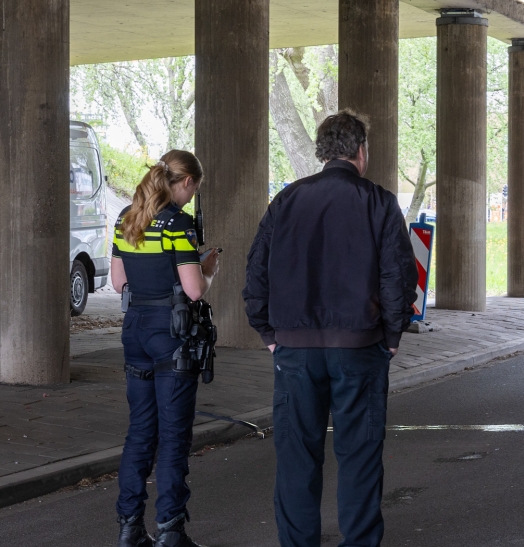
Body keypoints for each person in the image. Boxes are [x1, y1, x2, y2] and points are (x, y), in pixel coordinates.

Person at [244, 110, 418, 547]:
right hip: (360, 345)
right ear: (360, 152)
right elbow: (398, 276)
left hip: (295, 349)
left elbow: (256, 274)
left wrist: (267, 332)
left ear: (323, 153)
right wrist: (392, 336)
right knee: (359, 453)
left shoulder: (285, 201)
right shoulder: (379, 201)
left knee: (297, 455)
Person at [111, 151, 220, 547]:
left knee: (139, 432)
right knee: (173, 436)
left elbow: (118, 282)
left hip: (135, 331)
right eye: (194, 189)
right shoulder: (178, 222)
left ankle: (130, 529)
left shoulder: (127, 217)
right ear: (186, 182)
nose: (191, 198)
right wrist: (208, 268)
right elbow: (193, 290)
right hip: (171, 335)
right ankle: (171, 531)